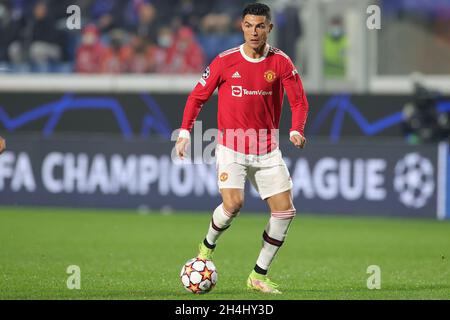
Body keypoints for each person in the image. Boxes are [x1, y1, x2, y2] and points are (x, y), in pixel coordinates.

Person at [174, 3, 308, 294]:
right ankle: (206, 247)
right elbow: (197, 97)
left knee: (284, 211)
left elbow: (299, 101)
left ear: (269, 28)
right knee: (233, 204)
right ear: (241, 26)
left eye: (260, 26)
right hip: (231, 147)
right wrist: (185, 132)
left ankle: (258, 275)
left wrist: (296, 128)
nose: (254, 31)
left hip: (267, 149)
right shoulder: (225, 61)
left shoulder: (281, 62)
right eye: (248, 25)